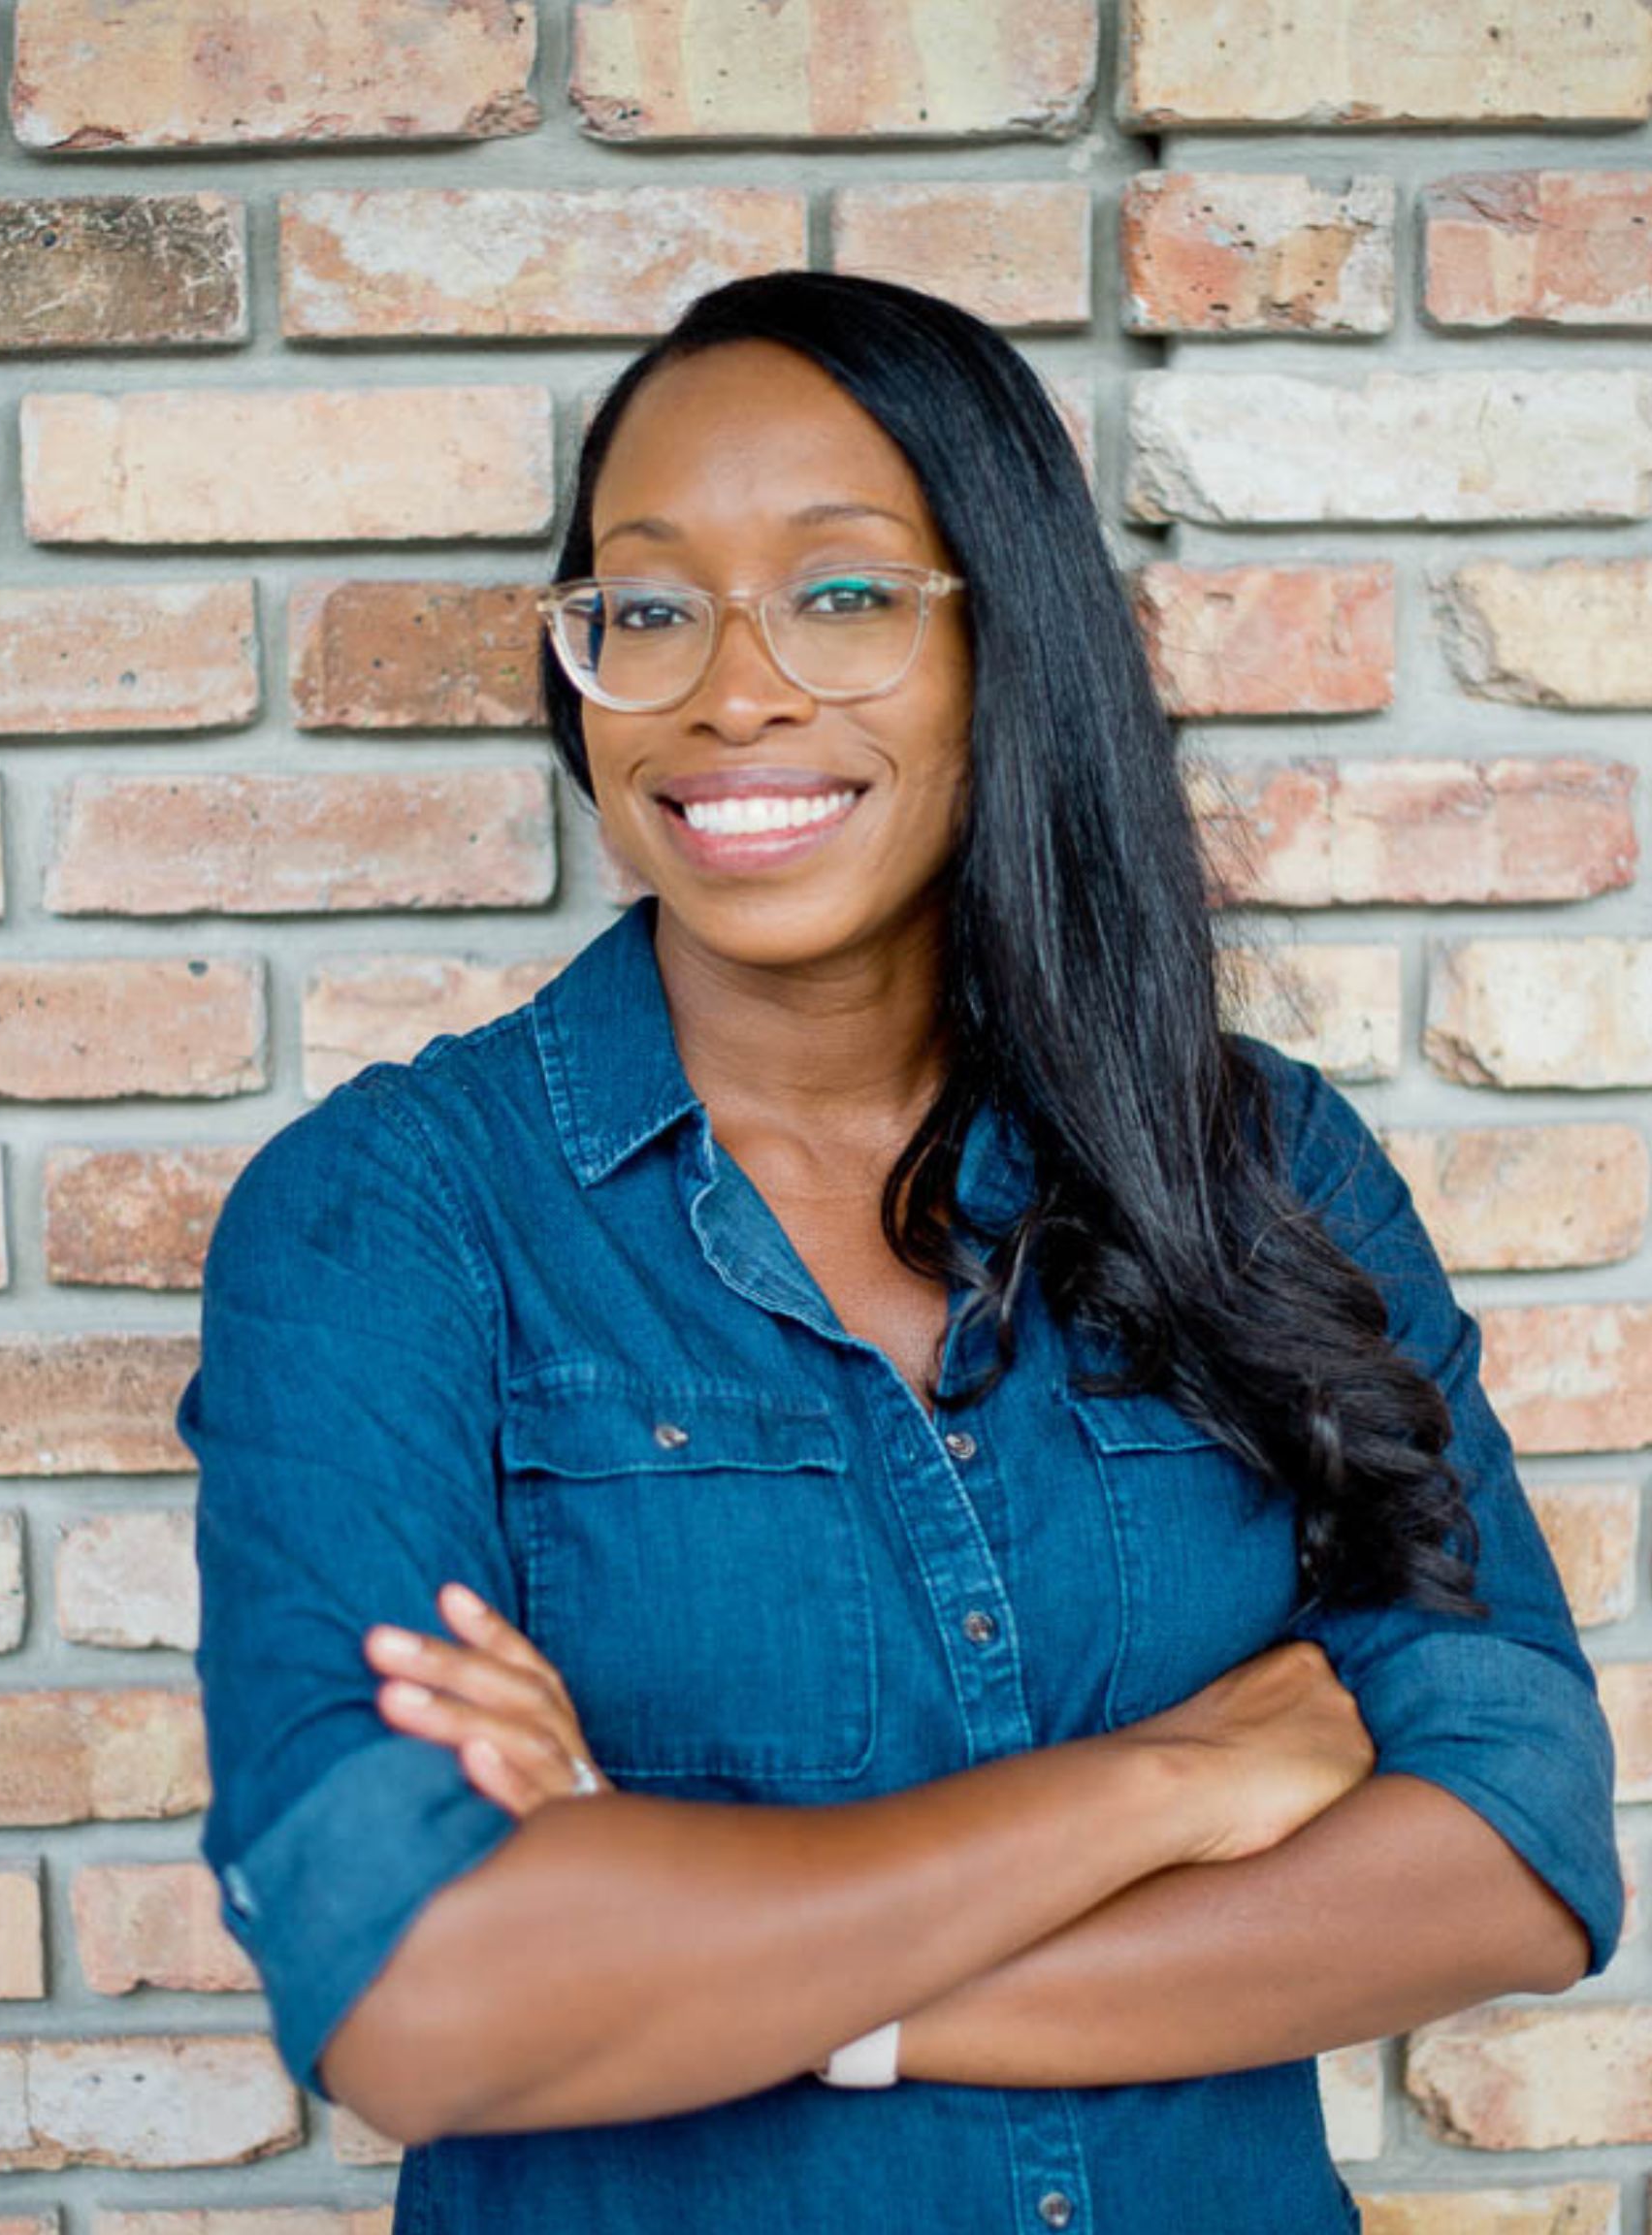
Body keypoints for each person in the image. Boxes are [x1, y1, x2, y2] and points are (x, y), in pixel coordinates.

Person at [179, 271, 1620, 2234]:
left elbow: (1516, 1851)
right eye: (650, 605)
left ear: (1002, 649)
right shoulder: (396, 1221)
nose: (729, 688)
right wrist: (1159, 1792)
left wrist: (701, 1944)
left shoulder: (1260, 1168)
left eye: (844, 594)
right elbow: (418, 1994)